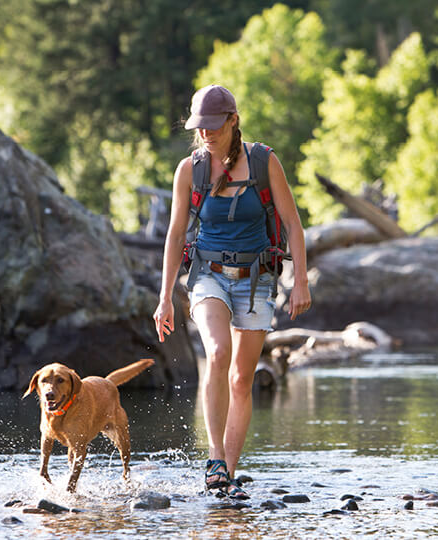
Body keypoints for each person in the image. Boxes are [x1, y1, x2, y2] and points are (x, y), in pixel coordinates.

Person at [153, 84, 311, 499]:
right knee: (218, 353)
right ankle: (215, 458)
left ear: (232, 120)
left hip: (258, 280)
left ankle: (225, 479)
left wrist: (302, 283)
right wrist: (165, 296)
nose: (204, 133)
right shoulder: (190, 170)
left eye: (212, 126)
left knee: (242, 379)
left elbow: (293, 224)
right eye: (198, 127)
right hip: (208, 275)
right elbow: (174, 234)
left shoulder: (264, 162)